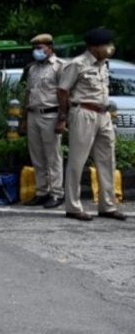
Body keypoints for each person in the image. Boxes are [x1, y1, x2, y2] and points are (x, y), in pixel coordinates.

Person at [57, 27, 126, 221]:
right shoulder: (77, 64)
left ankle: (108, 206)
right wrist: (63, 116)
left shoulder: (103, 64)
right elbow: (63, 90)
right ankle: (73, 206)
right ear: (94, 47)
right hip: (83, 112)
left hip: (103, 114)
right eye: (106, 44)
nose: (109, 48)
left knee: (107, 160)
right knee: (77, 161)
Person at [21, 34, 65, 209]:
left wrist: (62, 119)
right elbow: (28, 94)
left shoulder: (59, 67)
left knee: (53, 156)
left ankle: (56, 193)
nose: (37, 51)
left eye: (40, 47)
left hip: (51, 115)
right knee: (37, 156)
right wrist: (24, 119)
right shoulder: (32, 69)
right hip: (33, 114)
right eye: (35, 48)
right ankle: (42, 192)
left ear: (50, 47)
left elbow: (64, 95)